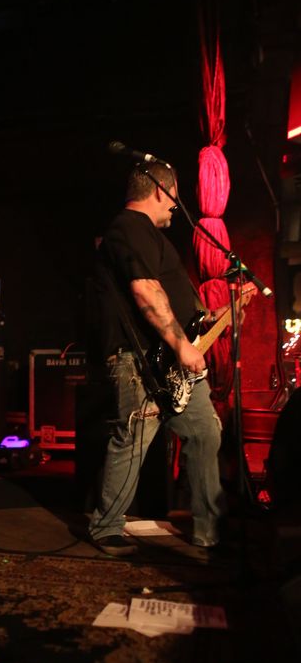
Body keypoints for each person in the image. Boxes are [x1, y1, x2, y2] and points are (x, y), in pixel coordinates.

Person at [86, 161, 227, 555]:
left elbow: (171, 300)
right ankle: (106, 526)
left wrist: (208, 319)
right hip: (142, 358)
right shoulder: (129, 227)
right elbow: (145, 291)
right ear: (161, 191)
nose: (176, 208)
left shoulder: (149, 235)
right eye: (175, 198)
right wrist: (182, 345)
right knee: (134, 437)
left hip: (172, 358)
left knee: (205, 431)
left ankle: (209, 530)